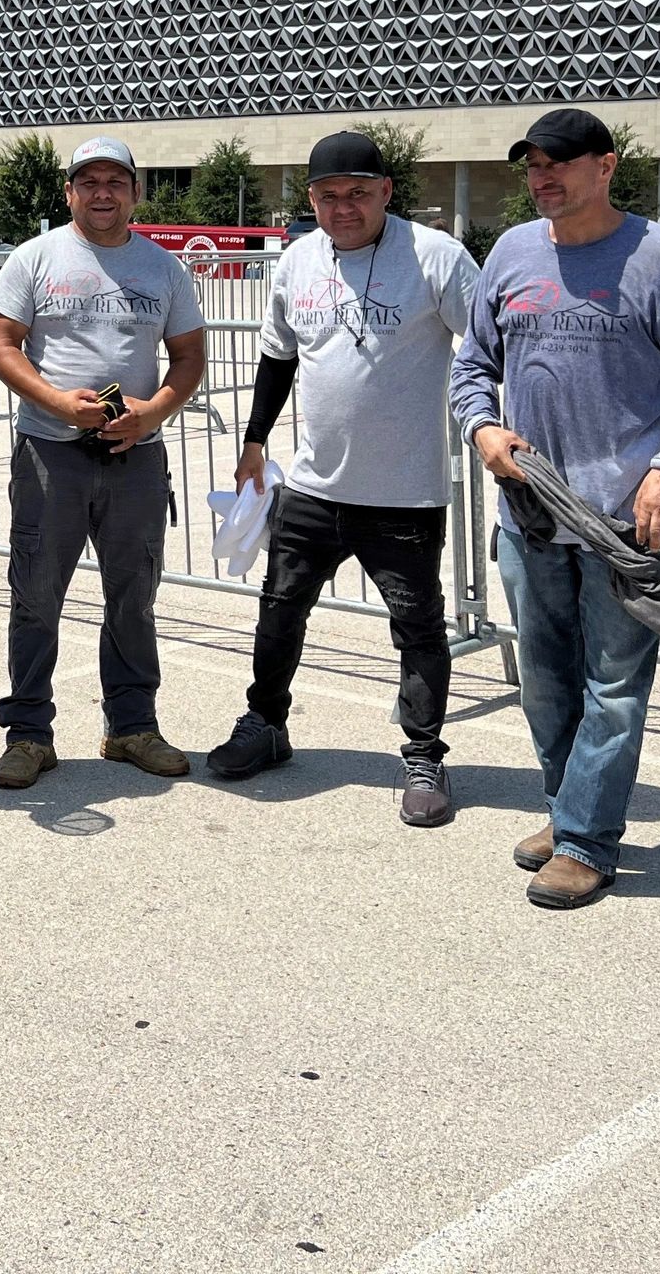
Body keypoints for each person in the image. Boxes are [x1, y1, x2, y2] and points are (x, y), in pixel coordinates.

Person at [449, 107, 660, 909]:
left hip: (620, 520)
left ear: (606, 166)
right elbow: (473, 362)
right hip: (529, 513)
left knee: (613, 684)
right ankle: (566, 807)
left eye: (560, 164)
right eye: (532, 166)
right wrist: (481, 427)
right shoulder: (510, 252)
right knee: (544, 681)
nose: (543, 178)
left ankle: (585, 840)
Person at [207, 132, 481, 824]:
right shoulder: (297, 260)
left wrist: (496, 425)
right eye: (328, 195)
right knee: (279, 609)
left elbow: (488, 348)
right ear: (310, 200)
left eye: (358, 192)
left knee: (417, 627)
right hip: (312, 486)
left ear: (387, 192)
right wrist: (253, 439)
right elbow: (278, 358)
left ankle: (423, 755)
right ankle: (266, 723)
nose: (344, 207)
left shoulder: (436, 258)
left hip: (403, 492)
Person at [0, 138, 207, 789]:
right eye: (89, 181)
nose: (102, 192)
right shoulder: (35, 259)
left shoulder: (164, 269)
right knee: (35, 597)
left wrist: (154, 412)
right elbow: (1, 345)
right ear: (69, 191)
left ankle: (132, 726)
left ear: (135, 192)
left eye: (115, 181)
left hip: (135, 454)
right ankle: (28, 734)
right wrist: (56, 402)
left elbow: (189, 357)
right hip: (50, 455)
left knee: (134, 597)